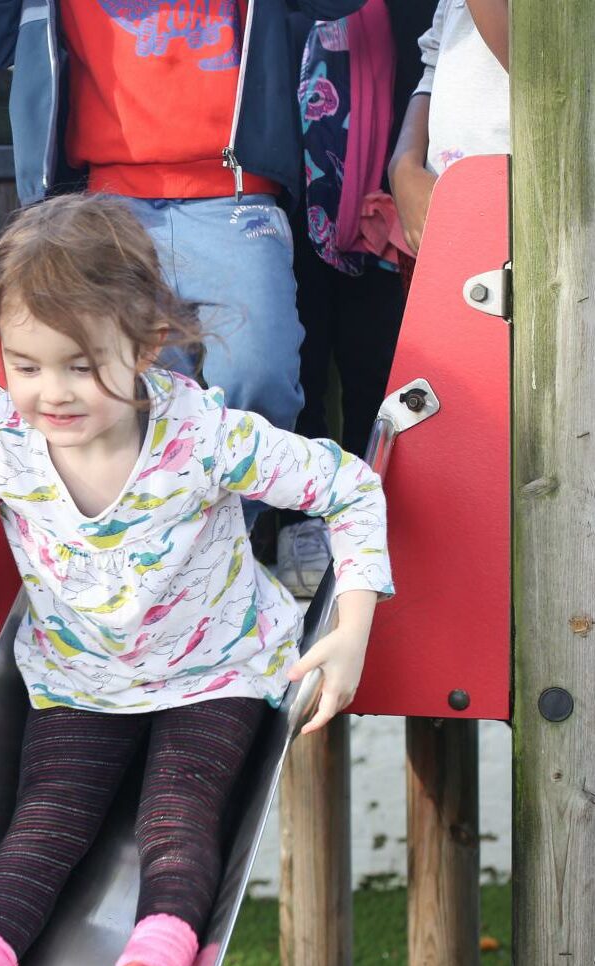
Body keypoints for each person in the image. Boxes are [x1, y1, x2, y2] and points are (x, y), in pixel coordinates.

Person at [0, 196, 392, 966]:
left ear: (141, 347)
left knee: (180, 813)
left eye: (80, 366)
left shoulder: (200, 436)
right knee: (43, 822)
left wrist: (352, 626)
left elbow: (350, 487)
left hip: (216, 670)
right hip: (79, 682)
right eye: (26, 365)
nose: (50, 392)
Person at [0, 0, 367, 561]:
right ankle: (154, 568)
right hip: (107, 202)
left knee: (262, 378)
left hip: (235, 192)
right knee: (132, 403)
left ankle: (202, 556)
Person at [273, 0, 438, 596]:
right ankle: (300, 524)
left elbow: (430, 69)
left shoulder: (411, 12)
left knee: (381, 375)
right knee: (299, 374)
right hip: (281, 205)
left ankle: (377, 529)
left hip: (388, 206)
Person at [388, 0, 509, 258]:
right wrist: (404, 164)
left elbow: (541, 73)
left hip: (518, 211)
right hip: (443, 212)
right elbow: (433, 63)